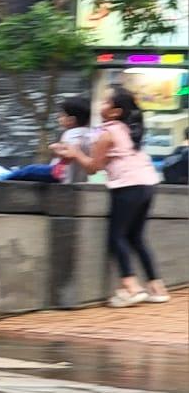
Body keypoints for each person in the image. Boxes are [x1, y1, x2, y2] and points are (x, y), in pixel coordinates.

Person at [54, 85, 169, 307]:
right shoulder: (128, 129)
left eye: (106, 102)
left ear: (115, 111)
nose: (100, 105)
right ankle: (157, 288)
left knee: (115, 237)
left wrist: (75, 153)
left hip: (128, 186)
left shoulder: (107, 133)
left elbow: (92, 168)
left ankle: (131, 288)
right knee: (135, 237)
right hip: (147, 184)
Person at [0, 97, 93, 183]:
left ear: (71, 120)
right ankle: (14, 173)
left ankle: (4, 175)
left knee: (32, 169)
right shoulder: (88, 134)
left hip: (58, 174)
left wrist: (55, 148)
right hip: (75, 176)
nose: (59, 118)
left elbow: (69, 152)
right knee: (33, 170)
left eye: (62, 115)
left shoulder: (71, 134)